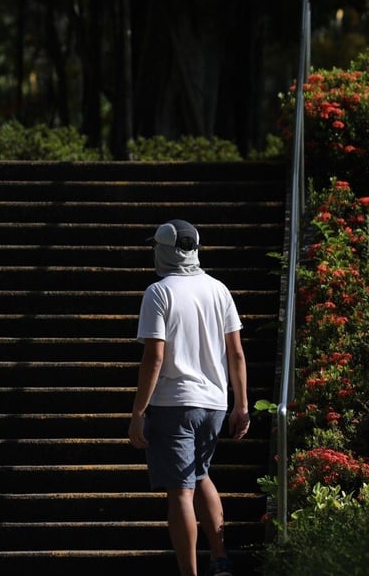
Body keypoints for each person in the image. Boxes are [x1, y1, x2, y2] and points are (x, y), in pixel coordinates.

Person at [128, 219, 251, 576]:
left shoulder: (159, 291)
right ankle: (220, 557)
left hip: (173, 404)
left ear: (164, 251)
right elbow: (237, 353)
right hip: (214, 403)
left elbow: (154, 356)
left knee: (179, 492)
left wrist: (138, 412)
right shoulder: (218, 289)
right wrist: (241, 406)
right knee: (200, 476)